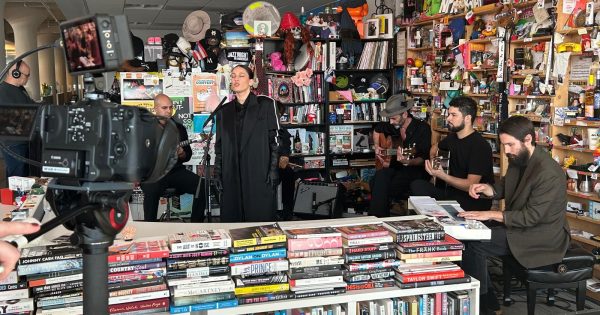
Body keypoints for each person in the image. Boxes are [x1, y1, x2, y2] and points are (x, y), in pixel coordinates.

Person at [458, 116, 570, 314]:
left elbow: (532, 217)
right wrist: (489, 189)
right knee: (468, 235)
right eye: (503, 145)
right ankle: (485, 297)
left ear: (528, 139)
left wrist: (490, 214)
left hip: (541, 235)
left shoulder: (549, 173)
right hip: (521, 226)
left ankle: (485, 304)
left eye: (510, 144)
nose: (506, 151)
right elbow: (508, 186)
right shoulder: (520, 157)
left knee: (475, 245)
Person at [214, 65, 283, 222]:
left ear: (251, 81)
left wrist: (273, 170)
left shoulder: (266, 105)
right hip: (231, 174)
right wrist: (218, 173)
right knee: (233, 221)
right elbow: (219, 146)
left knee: (259, 220)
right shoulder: (224, 111)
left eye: (241, 75)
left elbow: (276, 140)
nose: (235, 79)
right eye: (233, 76)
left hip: (258, 172)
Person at [410, 96, 494, 211]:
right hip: (450, 192)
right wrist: (435, 165)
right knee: (417, 185)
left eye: (454, 115)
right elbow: (434, 148)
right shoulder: (452, 137)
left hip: (472, 199)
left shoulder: (480, 146)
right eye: (449, 114)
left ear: (467, 118)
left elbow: (470, 185)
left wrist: (442, 175)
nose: (448, 118)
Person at [140, 94, 205, 222]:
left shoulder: (179, 128)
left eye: (170, 107)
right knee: (151, 188)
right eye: (164, 108)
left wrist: (181, 153)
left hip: (175, 171)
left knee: (201, 185)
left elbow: (187, 155)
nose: (168, 111)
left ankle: (196, 226)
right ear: (155, 109)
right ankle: (150, 227)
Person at [369, 92, 431, 217]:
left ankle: (379, 216)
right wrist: (377, 147)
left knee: (380, 184)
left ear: (404, 114)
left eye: (393, 118)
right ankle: (378, 218)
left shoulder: (422, 129)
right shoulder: (393, 125)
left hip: (416, 170)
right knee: (378, 177)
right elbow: (377, 129)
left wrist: (408, 162)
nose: (390, 122)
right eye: (389, 118)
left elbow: (423, 157)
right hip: (397, 167)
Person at [0, 60, 35, 180]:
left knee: (24, 176)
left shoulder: (21, 90)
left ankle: (24, 197)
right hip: (12, 144)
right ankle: (15, 197)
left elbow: (31, 106)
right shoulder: (2, 91)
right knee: (16, 177)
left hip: (24, 140)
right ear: (16, 74)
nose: (28, 79)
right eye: (27, 75)